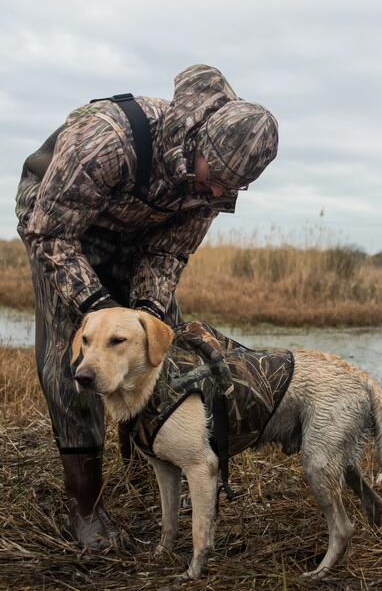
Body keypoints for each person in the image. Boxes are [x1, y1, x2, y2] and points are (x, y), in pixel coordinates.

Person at [15, 64, 278, 550]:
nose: (220, 193)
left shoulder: (211, 189)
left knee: (160, 342)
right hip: (63, 226)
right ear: (199, 142)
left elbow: (167, 253)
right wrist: (97, 307)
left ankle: (146, 454)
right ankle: (86, 509)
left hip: (136, 238)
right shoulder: (108, 141)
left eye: (233, 188)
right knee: (76, 351)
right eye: (217, 178)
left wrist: (147, 313)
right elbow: (48, 232)